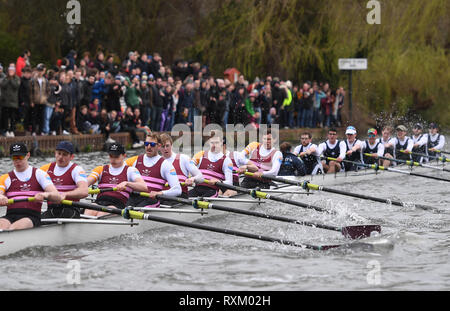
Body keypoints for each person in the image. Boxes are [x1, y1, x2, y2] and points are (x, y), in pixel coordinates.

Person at [0, 143, 61, 230]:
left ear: (28, 155)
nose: (17, 161)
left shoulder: (39, 174)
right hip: (10, 215)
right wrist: (1, 197)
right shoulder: (5, 177)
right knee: (1, 225)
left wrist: (45, 195)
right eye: (14, 157)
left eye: (20, 157)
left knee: (14, 228)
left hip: (31, 217)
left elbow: (57, 196)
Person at [86, 143, 147, 217]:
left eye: (116, 156)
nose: (113, 159)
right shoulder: (100, 169)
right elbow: (86, 182)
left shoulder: (131, 170)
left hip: (117, 204)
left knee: (101, 214)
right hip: (99, 201)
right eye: (111, 156)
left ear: (124, 156)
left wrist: (127, 183)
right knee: (89, 211)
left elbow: (144, 187)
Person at [125, 133, 181, 207]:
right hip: (134, 197)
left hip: (151, 200)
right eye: (146, 144)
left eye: (152, 144)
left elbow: (177, 190)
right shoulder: (135, 160)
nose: (148, 147)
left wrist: (160, 193)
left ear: (159, 146)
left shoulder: (165, 164)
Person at [40, 141, 89, 219]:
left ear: (71, 157)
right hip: (52, 209)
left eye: (64, 154)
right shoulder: (45, 169)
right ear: (55, 153)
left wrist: (65, 194)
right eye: (59, 153)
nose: (60, 157)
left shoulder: (76, 170)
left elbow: (84, 191)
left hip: (71, 209)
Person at [159, 133, 203, 198]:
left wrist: (192, 179)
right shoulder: (157, 162)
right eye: (163, 146)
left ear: (171, 145)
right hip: (162, 196)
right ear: (158, 147)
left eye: (167, 146)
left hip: (180, 195)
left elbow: (200, 177)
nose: (165, 149)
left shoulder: (183, 158)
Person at [0, 64, 21, 137]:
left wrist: (11, 78)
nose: (11, 72)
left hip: (13, 102)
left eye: (12, 70)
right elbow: (3, 85)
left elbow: (16, 86)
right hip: (5, 102)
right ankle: (6, 130)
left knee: (12, 117)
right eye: (10, 70)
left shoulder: (16, 78)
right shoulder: (5, 78)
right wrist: (8, 78)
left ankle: (12, 130)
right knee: (5, 117)